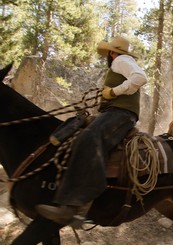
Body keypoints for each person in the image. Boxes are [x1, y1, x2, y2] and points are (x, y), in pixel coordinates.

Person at [36, 36, 148, 225]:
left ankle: (74, 204)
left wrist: (114, 92)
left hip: (120, 114)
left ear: (112, 53)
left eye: (109, 53)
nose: (108, 56)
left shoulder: (121, 60)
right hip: (116, 112)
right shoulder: (119, 64)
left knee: (89, 138)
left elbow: (141, 77)